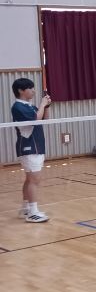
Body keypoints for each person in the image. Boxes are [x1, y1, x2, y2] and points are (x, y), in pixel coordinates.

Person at [11, 78, 51, 223]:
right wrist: (42, 104)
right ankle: (33, 212)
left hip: (37, 145)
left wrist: (46, 106)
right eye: (30, 88)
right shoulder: (18, 107)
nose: (33, 91)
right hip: (28, 146)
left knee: (30, 179)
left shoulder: (30, 106)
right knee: (34, 179)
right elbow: (35, 120)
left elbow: (44, 118)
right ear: (21, 90)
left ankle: (26, 208)